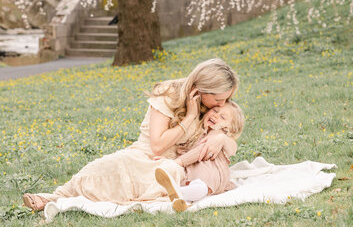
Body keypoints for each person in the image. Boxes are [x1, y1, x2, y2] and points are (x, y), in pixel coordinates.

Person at [23, 58, 239, 211]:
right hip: (145, 156)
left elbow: (232, 130)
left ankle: (56, 199)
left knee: (151, 182)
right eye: (219, 100)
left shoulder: (212, 110)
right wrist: (190, 118)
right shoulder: (170, 93)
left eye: (224, 101)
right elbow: (157, 146)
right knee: (105, 168)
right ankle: (55, 197)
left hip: (175, 168)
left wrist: (222, 137)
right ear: (201, 89)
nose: (222, 105)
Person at [155, 100, 244, 212]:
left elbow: (200, 150)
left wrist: (178, 162)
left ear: (230, 127)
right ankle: (181, 200)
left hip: (212, 173)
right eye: (215, 111)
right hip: (196, 171)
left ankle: (178, 194)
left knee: (201, 187)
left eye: (223, 117)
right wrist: (168, 159)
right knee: (193, 186)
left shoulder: (217, 134)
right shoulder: (201, 132)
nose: (216, 116)